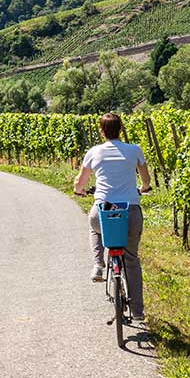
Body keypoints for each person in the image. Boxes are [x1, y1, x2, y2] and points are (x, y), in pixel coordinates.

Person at [74, 113, 151, 323]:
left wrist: (79, 190)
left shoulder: (94, 152)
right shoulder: (134, 150)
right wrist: (143, 188)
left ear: (102, 131)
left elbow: (80, 182)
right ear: (121, 129)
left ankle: (98, 264)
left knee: (94, 226)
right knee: (131, 259)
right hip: (130, 212)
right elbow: (146, 180)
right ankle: (137, 311)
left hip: (103, 210)